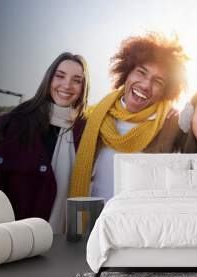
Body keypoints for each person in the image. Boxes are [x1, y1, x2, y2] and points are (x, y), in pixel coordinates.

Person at [0, 52, 90, 233]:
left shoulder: (87, 132)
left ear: (83, 87)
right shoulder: (8, 125)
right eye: (60, 76)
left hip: (63, 243)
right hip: (10, 239)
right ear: (48, 78)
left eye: (77, 80)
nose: (67, 85)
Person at [70, 32, 188, 202]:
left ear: (165, 91)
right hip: (92, 222)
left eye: (158, 81)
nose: (146, 85)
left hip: (138, 224)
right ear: (126, 73)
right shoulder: (93, 117)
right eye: (141, 72)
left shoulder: (170, 125)